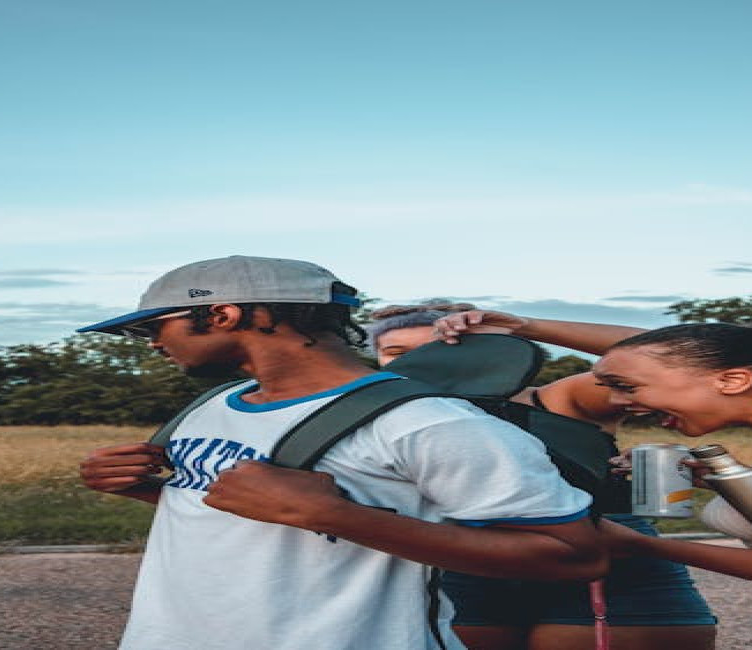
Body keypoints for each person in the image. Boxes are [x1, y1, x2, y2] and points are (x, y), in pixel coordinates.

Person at [76, 256, 606, 650]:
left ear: (223, 314)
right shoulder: (214, 403)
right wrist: (149, 489)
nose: (151, 342)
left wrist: (333, 515)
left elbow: (577, 556)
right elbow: (251, 514)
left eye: (152, 326)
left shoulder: (429, 421)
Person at [441, 308, 752, 649]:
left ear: (734, 380)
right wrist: (723, 482)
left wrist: (645, 545)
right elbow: (681, 357)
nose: (617, 403)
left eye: (627, 388)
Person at [370, 303, 717, 650]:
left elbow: (681, 356)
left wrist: (526, 326)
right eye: (396, 352)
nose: (422, 360)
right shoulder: (373, 418)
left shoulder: (560, 399)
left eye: (438, 347)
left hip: (611, 558)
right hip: (467, 567)